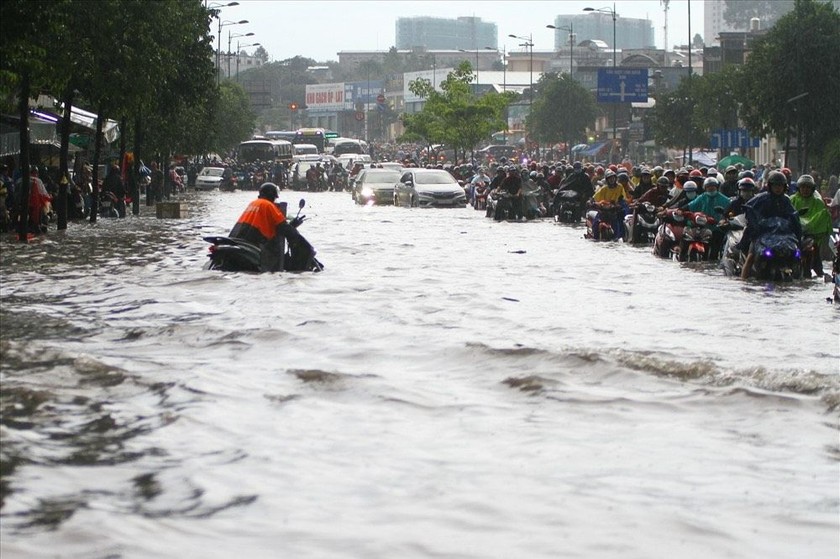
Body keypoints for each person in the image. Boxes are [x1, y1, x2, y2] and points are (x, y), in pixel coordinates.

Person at [738, 170, 802, 280]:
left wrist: (798, 232)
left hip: (783, 236)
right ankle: (743, 281)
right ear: (770, 186)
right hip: (763, 234)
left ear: (785, 187)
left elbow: (793, 216)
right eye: (775, 185)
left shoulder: (786, 200)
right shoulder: (761, 198)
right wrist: (755, 226)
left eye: (780, 186)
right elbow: (748, 208)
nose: (778, 188)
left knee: (798, 254)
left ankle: (802, 277)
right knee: (751, 256)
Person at [229, 183, 301, 272]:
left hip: (239, 238)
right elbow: (282, 225)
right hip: (255, 241)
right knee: (271, 264)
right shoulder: (269, 205)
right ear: (272, 195)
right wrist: (294, 233)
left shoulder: (254, 203)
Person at [791, 175, 831, 277]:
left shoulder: (818, 202)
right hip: (792, 234)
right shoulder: (791, 200)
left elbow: (823, 217)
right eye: (803, 187)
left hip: (811, 236)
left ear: (812, 189)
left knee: (814, 251)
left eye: (808, 187)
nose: (805, 190)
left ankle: (818, 271)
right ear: (798, 188)